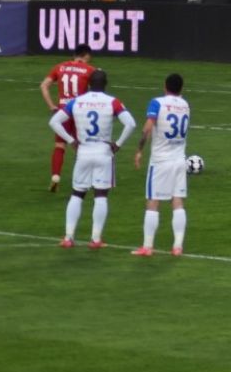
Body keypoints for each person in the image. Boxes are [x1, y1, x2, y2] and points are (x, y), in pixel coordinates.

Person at [49, 69, 137, 249]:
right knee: (101, 195)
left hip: (83, 151)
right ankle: (96, 239)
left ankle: (68, 237)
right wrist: (118, 144)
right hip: (103, 152)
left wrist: (71, 140)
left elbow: (54, 122)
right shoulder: (112, 101)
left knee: (77, 194)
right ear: (105, 84)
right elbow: (131, 124)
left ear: (89, 84)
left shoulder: (76, 101)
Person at [132, 73, 192, 257]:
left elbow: (147, 127)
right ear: (181, 88)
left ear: (165, 86)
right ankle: (177, 246)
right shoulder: (185, 105)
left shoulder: (157, 103)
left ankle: (147, 247)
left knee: (153, 201)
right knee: (178, 201)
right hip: (179, 159)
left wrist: (139, 150)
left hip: (160, 161)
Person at [40, 43, 95, 193]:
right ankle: (81, 180)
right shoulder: (89, 70)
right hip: (79, 112)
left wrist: (52, 106)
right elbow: (95, 91)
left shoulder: (60, 67)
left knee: (60, 145)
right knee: (81, 147)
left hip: (63, 112)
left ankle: (55, 177)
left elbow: (44, 85)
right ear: (86, 55)